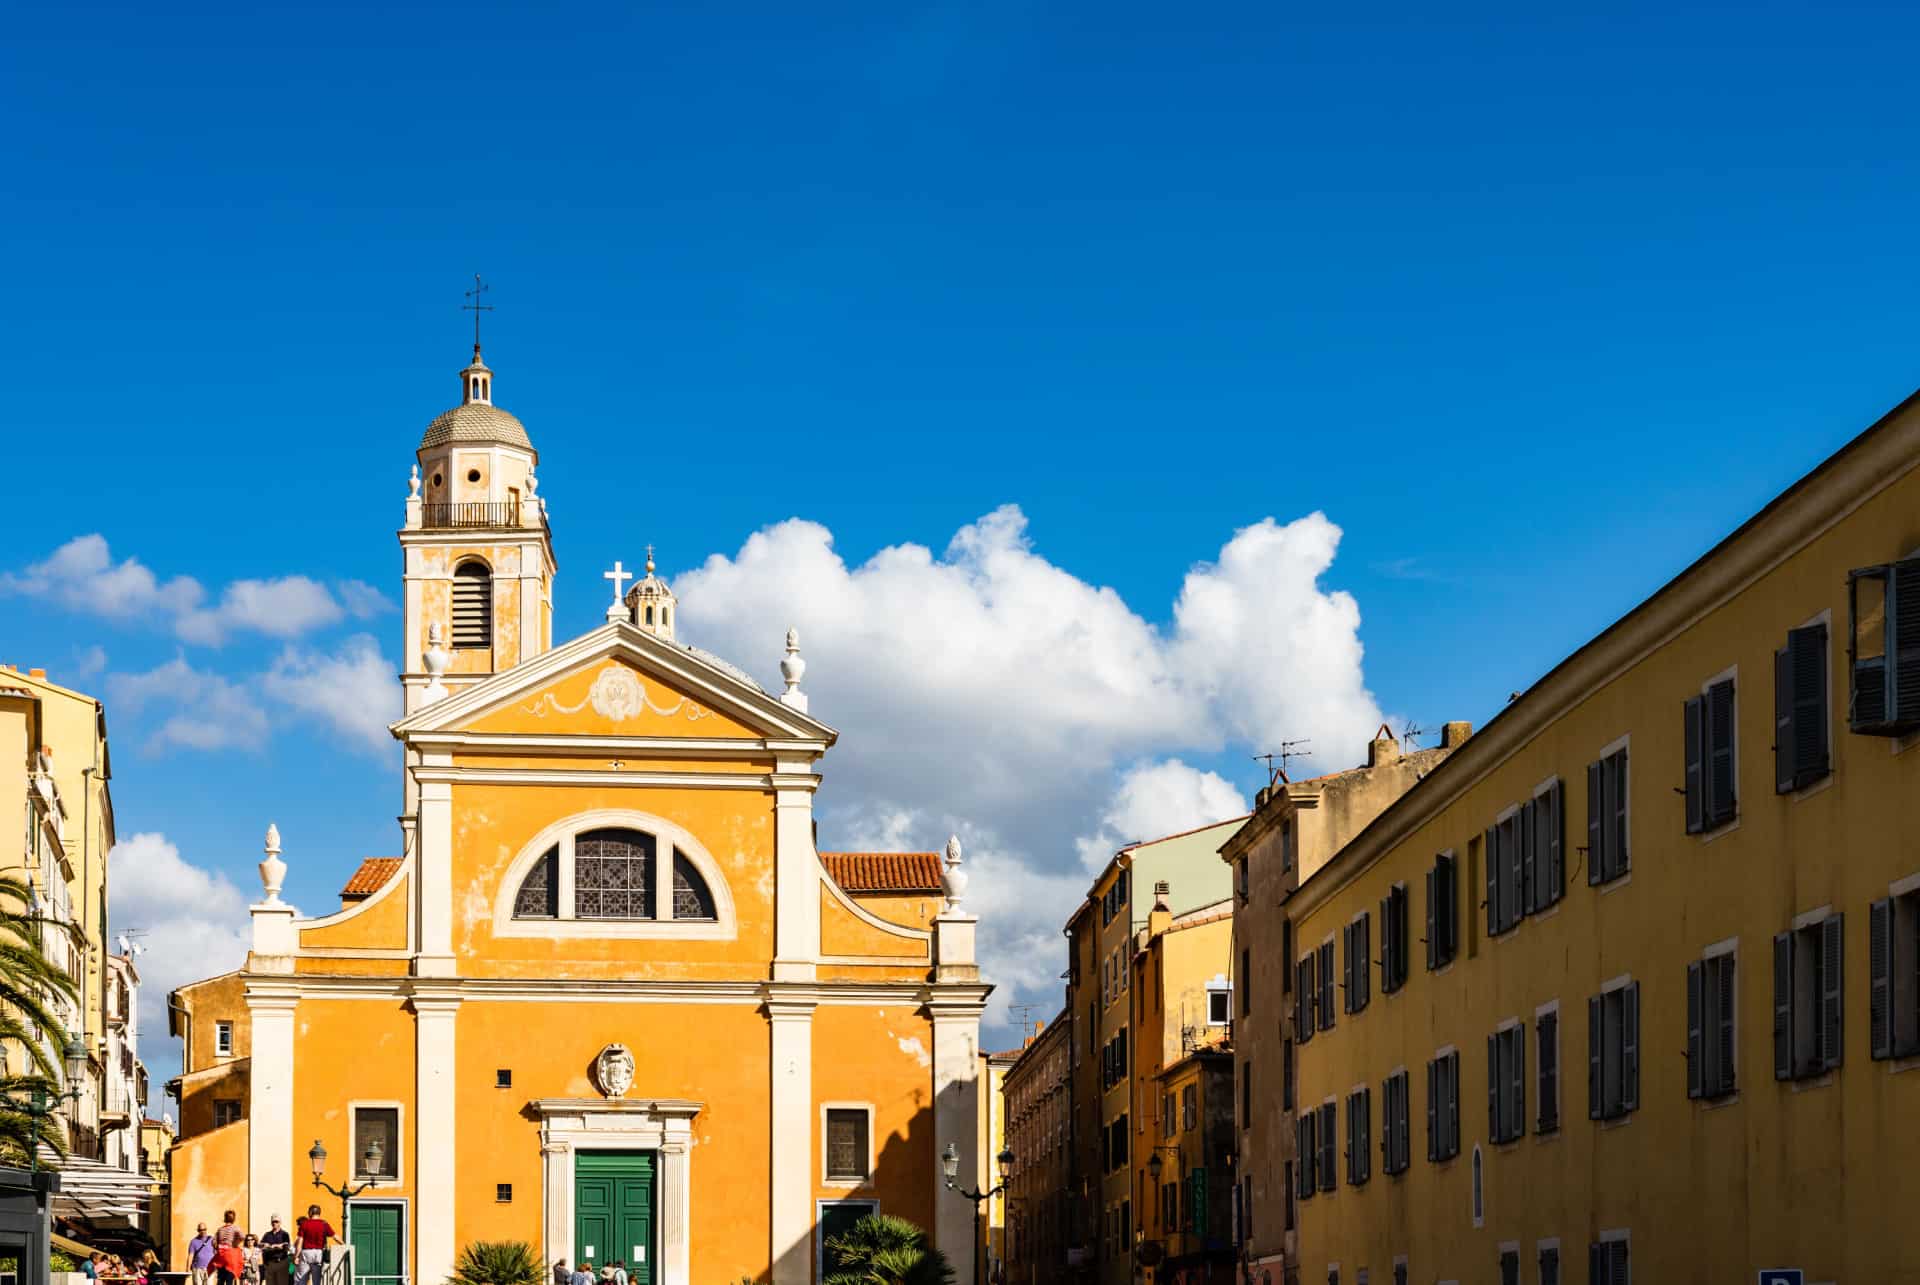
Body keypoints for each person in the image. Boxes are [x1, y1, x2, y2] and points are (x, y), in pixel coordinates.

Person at [293, 1205, 334, 1285]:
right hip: (318, 1254)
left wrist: (296, 1256)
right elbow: (335, 1236)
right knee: (316, 1281)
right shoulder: (324, 1224)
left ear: (311, 1212)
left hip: (306, 1253)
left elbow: (300, 1243)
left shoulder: (304, 1224)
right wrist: (344, 1244)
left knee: (302, 1280)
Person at [260, 1215, 292, 1285]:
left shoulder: (285, 1234)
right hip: (270, 1263)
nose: (275, 1223)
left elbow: (286, 1246)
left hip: (281, 1262)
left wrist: (275, 1246)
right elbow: (261, 1245)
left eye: (276, 1222)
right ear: (271, 1223)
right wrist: (264, 1245)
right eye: (273, 1222)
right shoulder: (267, 1234)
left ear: (280, 1223)